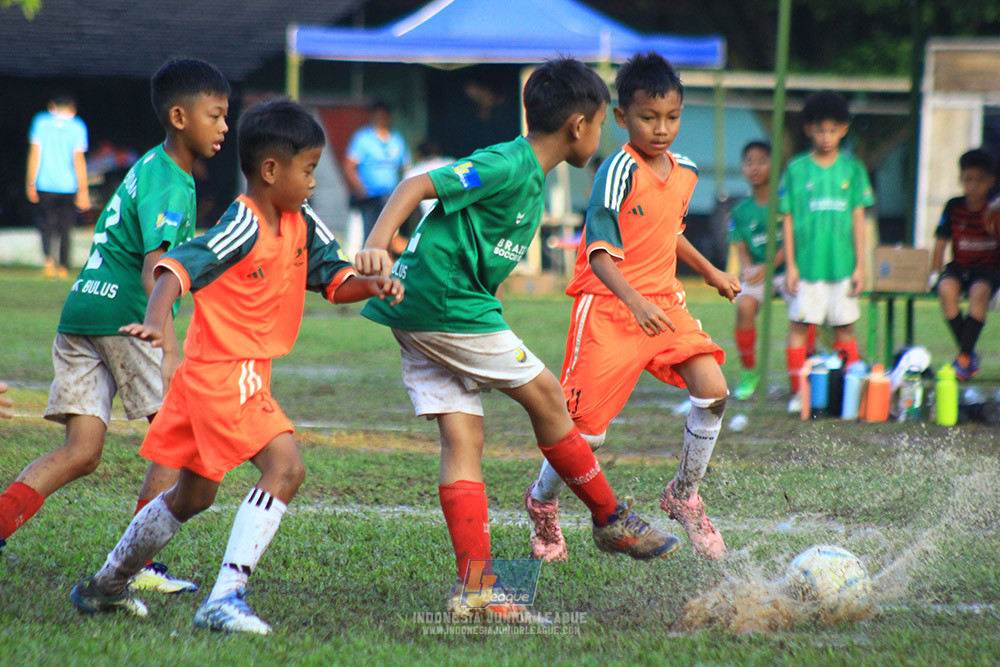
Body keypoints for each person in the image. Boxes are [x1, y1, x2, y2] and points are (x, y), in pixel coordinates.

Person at [357, 57, 681, 624]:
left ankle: (477, 589)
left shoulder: (533, 175)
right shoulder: (510, 163)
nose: (601, 136)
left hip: (424, 309)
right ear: (579, 125)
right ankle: (610, 518)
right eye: (603, 124)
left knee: (464, 440)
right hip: (447, 303)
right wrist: (379, 242)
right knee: (548, 396)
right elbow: (417, 183)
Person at [70, 99, 403, 634]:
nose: (316, 181)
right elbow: (174, 267)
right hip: (226, 373)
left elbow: (336, 283)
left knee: (193, 495)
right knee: (286, 468)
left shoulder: (301, 221)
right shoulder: (242, 225)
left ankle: (106, 584)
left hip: (220, 375)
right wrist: (157, 320)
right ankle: (225, 598)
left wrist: (373, 283)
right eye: (310, 169)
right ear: (271, 171)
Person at [0, 59, 231, 595]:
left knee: (81, 451)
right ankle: (140, 565)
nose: (224, 127)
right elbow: (157, 268)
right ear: (180, 116)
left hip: (81, 310)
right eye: (215, 115)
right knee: (175, 439)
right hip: (127, 319)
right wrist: (167, 343)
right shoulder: (173, 180)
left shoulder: (149, 164)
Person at [523, 52, 740, 564]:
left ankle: (683, 495)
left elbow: (671, 231)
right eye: (648, 117)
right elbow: (597, 252)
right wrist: (633, 300)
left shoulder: (685, 172)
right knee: (587, 436)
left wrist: (709, 272)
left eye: (671, 117)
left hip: (663, 305)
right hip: (609, 309)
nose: (661, 129)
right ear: (622, 117)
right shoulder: (616, 170)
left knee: (713, 391)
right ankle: (542, 502)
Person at [781, 90, 874, 412]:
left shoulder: (853, 169)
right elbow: (788, 218)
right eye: (820, 130)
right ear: (808, 129)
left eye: (833, 130)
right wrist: (791, 265)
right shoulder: (795, 169)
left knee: (844, 327)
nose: (826, 137)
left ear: (844, 130)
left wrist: (861, 266)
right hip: (807, 266)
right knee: (799, 327)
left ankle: (850, 394)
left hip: (842, 267)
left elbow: (859, 220)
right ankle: (798, 394)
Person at [930, 148, 1000, 380]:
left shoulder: (995, 209)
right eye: (968, 179)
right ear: (961, 179)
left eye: (980, 180)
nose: (973, 185)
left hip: (988, 268)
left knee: (979, 293)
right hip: (960, 266)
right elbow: (941, 241)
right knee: (946, 289)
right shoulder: (954, 206)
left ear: (990, 181)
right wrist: (934, 273)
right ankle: (967, 352)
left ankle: (963, 356)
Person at [26, 92, 91, 278]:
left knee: (46, 225)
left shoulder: (41, 122)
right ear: (73, 109)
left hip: (44, 183)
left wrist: (30, 181)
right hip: (68, 185)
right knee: (65, 228)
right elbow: (78, 159)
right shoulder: (78, 126)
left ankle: (48, 262)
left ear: (51, 106)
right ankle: (63, 267)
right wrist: (83, 189)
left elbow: (34, 153)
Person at [343, 101, 412, 240]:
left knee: (392, 238)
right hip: (369, 198)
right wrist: (360, 189)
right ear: (372, 117)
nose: (381, 119)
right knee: (369, 236)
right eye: (378, 116)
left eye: (384, 116)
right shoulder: (363, 138)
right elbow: (349, 166)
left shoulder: (396, 139)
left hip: (392, 199)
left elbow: (406, 167)